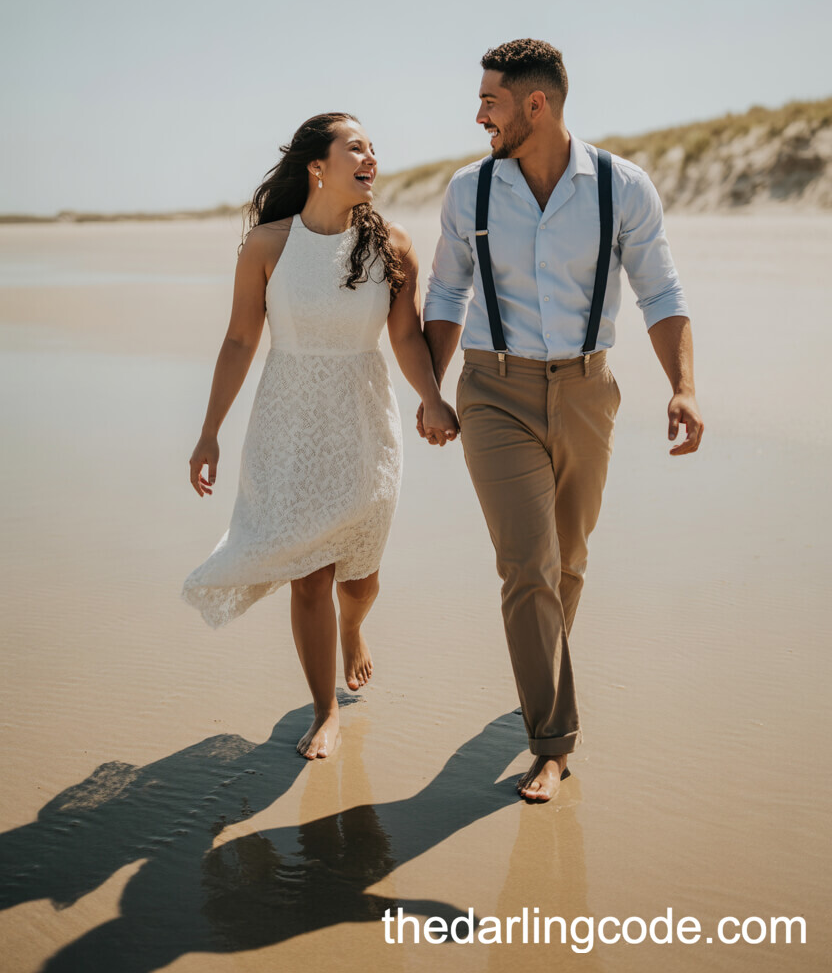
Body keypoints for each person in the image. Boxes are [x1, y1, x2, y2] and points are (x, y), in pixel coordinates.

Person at [419, 40, 704, 803]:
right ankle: (552, 742)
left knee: (568, 560)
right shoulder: (470, 190)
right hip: (493, 391)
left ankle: (543, 671)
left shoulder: (622, 187)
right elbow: (445, 294)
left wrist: (683, 387)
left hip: (586, 392)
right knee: (527, 566)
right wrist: (432, 392)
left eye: (491, 101)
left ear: (535, 105)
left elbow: (660, 290)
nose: (480, 115)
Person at [183, 112, 458, 760]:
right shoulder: (267, 245)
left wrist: (433, 399)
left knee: (358, 579)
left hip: (364, 423)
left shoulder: (392, 245)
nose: (371, 158)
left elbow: (404, 337)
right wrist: (209, 432)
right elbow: (240, 339)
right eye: (355, 148)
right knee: (309, 576)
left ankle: (353, 628)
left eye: (373, 148)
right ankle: (324, 709)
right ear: (318, 166)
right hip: (289, 423)